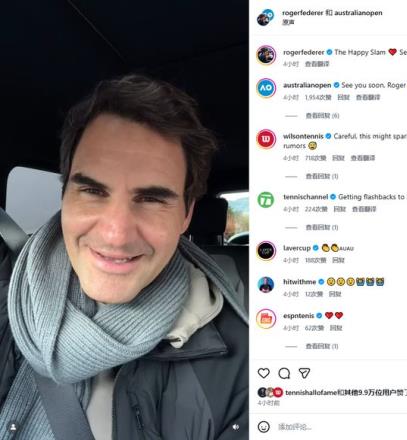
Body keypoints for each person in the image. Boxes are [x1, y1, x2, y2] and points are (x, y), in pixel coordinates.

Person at [0, 74, 248, 439]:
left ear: (186, 215)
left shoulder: (244, 368)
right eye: (92, 191)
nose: (116, 235)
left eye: (151, 199)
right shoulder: (9, 294)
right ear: (65, 196)